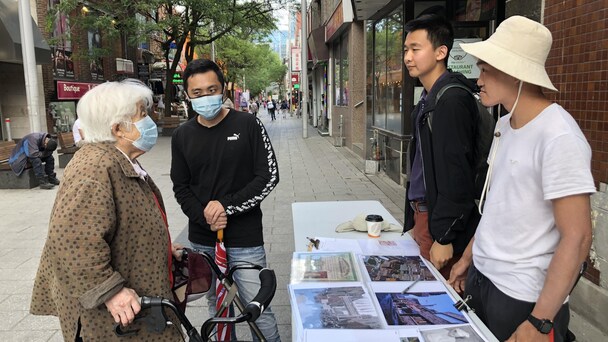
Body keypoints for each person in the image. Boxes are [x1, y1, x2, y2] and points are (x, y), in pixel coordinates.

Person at [448, 16, 595, 341]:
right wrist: (468, 258)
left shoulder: (559, 136)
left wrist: (541, 321)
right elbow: (497, 208)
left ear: (515, 73)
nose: (478, 78)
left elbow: (578, 236)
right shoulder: (504, 125)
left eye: (485, 68)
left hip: (523, 298)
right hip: (481, 281)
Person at [30, 79, 184, 341]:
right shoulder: (96, 167)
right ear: (118, 129)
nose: (150, 120)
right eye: (142, 114)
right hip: (108, 322)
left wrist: (158, 246)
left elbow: (123, 222)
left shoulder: (116, 159)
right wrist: (111, 292)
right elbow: (72, 243)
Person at [171, 59, 281, 342]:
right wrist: (205, 215)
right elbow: (181, 187)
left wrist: (226, 206)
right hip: (203, 239)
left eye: (212, 89)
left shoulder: (248, 125)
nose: (205, 97)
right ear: (187, 95)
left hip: (246, 239)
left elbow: (268, 176)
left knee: (260, 308)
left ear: (223, 90)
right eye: (197, 93)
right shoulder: (182, 135)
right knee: (218, 307)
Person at [402, 14, 480, 279]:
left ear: (441, 52)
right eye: (406, 50)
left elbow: (457, 173)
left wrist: (445, 236)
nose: (408, 57)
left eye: (415, 49)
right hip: (425, 217)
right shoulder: (427, 99)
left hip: (442, 225)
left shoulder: (451, 100)